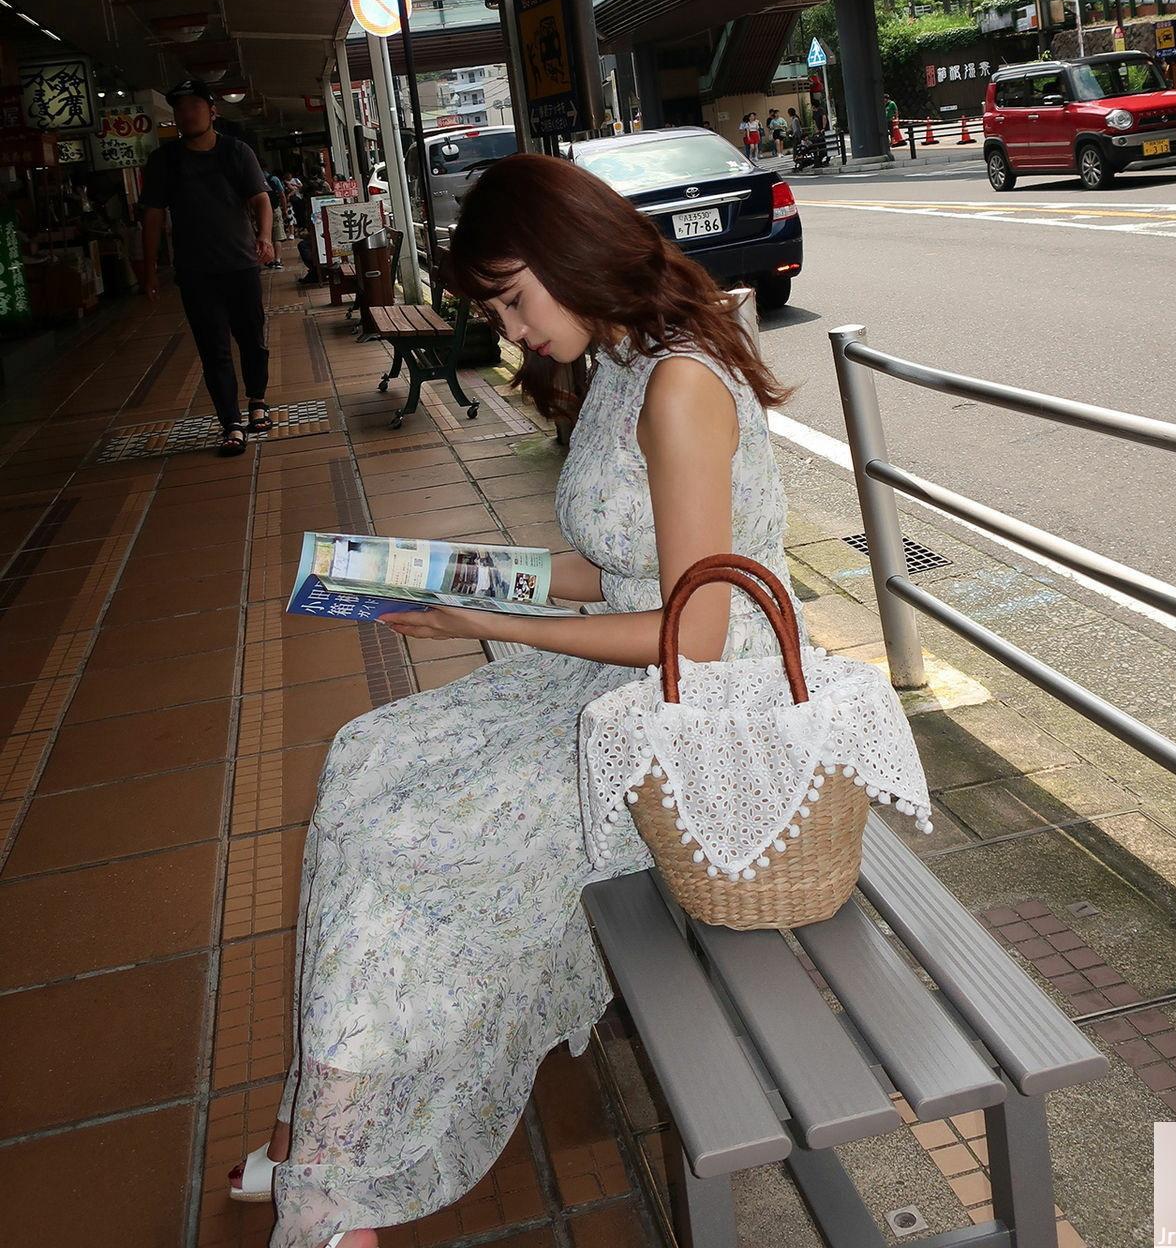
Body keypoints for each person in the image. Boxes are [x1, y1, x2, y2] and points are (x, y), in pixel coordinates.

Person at [229, 153, 803, 1245]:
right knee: (368, 758)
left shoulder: (677, 384)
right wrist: (470, 574)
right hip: (629, 673)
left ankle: (342, 1171)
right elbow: (615, 568)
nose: (509, 326)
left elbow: (698, 627)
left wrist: (483, 620)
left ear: (568, 255)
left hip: (702, 712)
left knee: (405, 831)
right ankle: (332, 1132)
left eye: (510, 296)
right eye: (494, 306)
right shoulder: (626, 364)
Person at [139, 78, 274, 456]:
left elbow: (261, 199)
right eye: (180, 109)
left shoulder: (236, 152)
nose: (187, 114)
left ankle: (258, 400)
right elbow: (151, 218)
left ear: (212, 111)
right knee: (213, 348)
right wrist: (148, 270)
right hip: (196, 272)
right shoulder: (164, 161)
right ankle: (231, 423)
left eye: (195, 106)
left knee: (252, 339)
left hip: (241, 265)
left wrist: (264, 237)